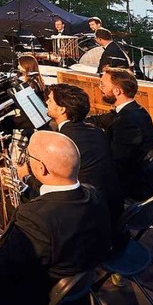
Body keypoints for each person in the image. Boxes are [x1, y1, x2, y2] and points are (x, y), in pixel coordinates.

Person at [0, 131, 112, 305]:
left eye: (26, 157)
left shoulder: (34, 217)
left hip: (29, 296)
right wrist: (24, 186)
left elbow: (0, 270)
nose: (23, 162)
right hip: (71, 272)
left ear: (42, 168)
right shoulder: (94, 195)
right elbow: (57, 201)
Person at [45, 83, 123, 228]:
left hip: (90, 217)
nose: (46, 103)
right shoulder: (95, 131)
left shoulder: (65, 141)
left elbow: (53, 181)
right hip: (112, 207)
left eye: (50, 100)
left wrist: (26, 178)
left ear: (62, 109)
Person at [87, 67, 153, 201]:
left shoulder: (127, 121)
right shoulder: (133, 110)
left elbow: (118, 163)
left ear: (117, 91)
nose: (100, 88)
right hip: (139, 181)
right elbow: (101, 119)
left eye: (103, 85)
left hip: (135, 191)